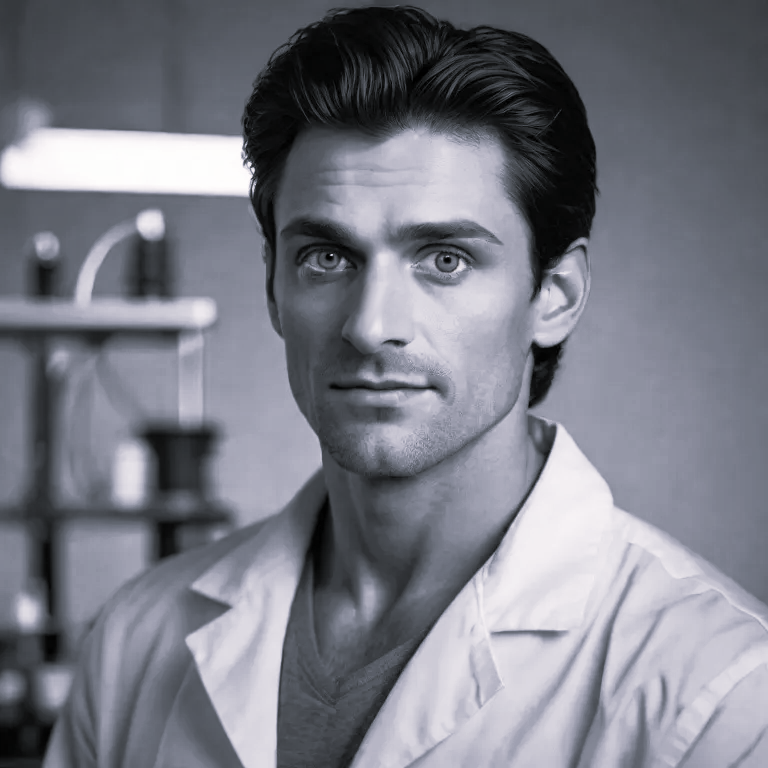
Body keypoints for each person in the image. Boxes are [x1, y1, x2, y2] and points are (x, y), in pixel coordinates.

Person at [44, 6, 768, 767]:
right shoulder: (134, 642)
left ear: (554, 294)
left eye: (444, 259)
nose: (370, 325)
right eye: (326, 257)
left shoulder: (719, 696)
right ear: (273, 288)